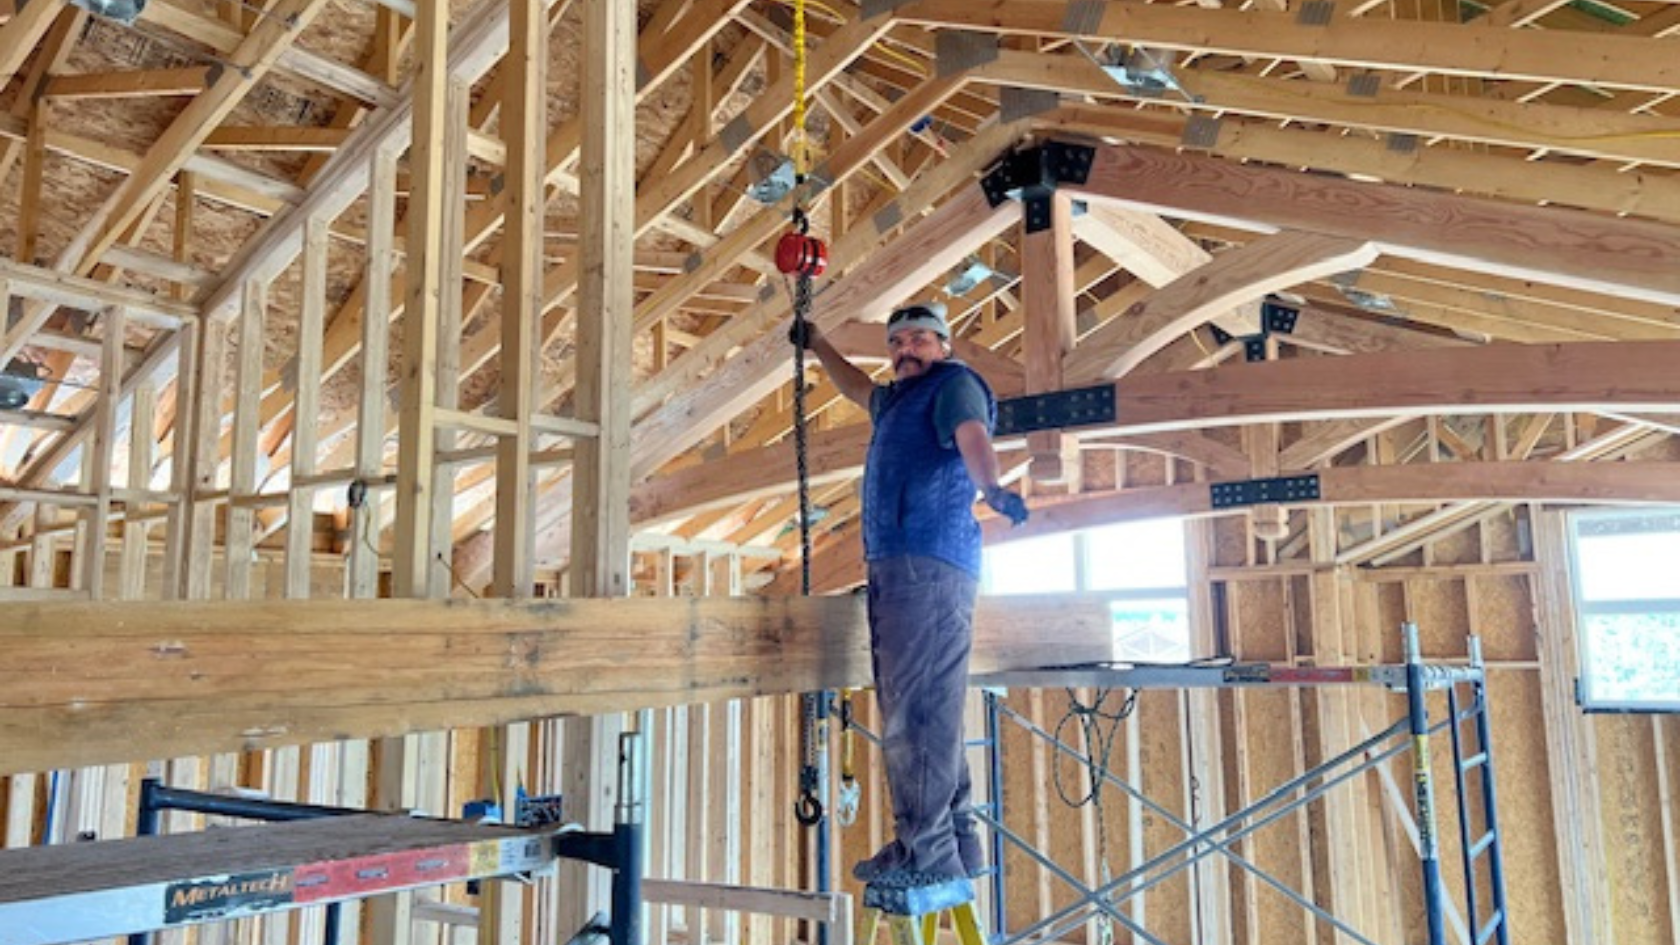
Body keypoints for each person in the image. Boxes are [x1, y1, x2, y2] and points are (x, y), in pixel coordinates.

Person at [790, 301, 1029, 886]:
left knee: (912, 710)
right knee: (934, 707)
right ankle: (957, 841)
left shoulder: (953, 386)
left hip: (922, 564)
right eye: (897, 343)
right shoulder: (897, 401)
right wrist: (818, 342)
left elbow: (971, 433)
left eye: (920, 339)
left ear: (944, 346)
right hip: (920, 568)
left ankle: (922, 852)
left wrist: (992, 488)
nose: (906, 350)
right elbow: (855, 388)